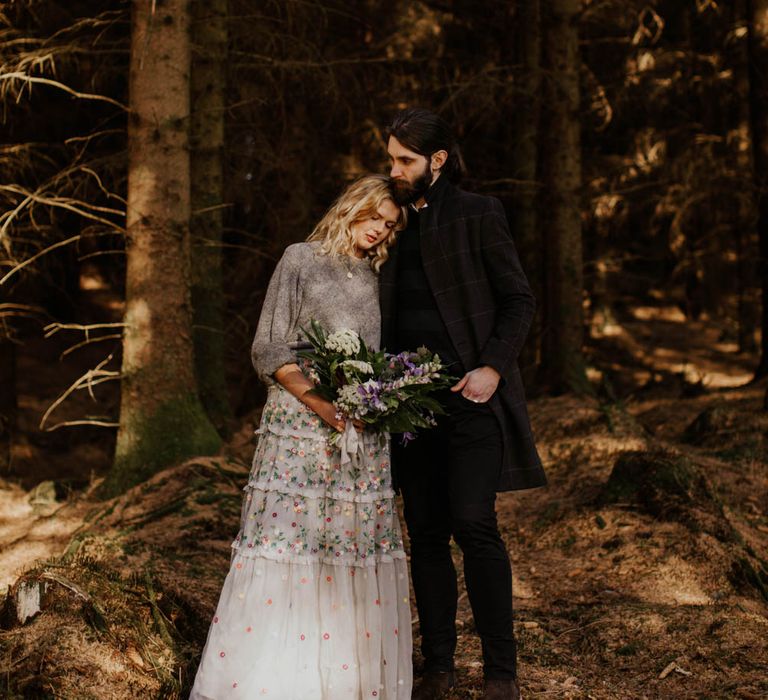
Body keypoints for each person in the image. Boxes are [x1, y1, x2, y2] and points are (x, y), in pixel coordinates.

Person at [190, 175, 413, 700]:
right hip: (299, 424)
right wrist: (321, 403)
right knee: (291, 542)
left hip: (360, 430)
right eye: (374, 218)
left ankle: (342, 679)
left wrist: (366, 405)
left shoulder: (379, 276)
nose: (380, 231)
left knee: (346, 546)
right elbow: (268, 348)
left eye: (389, 226)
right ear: (352, 208)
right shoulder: (301, 259)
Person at [380, 107, 547, 700]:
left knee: (475, 523)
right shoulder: (390, 220)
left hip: (471, 398)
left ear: (438, 160)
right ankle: (439, 667)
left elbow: (518, 300)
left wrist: (491, 368)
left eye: (405, 159)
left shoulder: (480, 213)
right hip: (407, 408)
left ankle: (502, 672)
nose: (394, 169)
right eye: (391, 158)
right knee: (424, 533)